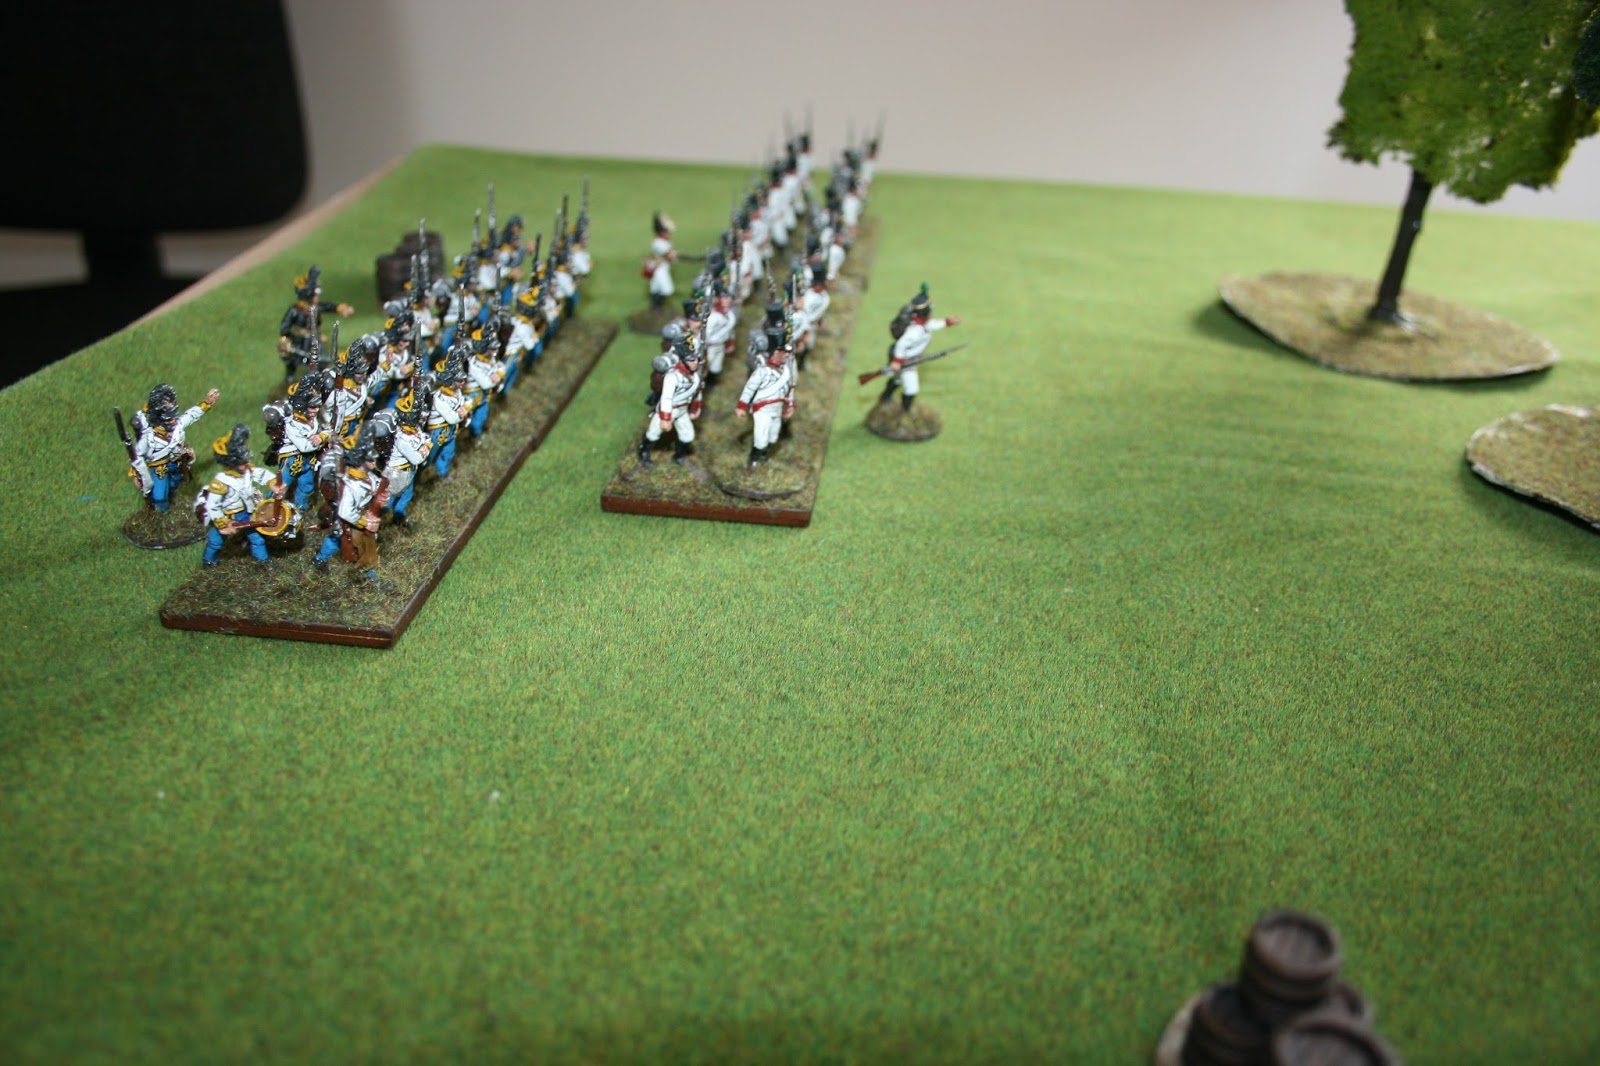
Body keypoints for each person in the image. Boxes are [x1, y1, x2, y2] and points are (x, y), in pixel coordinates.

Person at [200, 424, 286, 566]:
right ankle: (209, 561)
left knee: (257, 539)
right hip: (227, 516)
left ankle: (263, 561)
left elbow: (261, 474)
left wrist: (273, 483)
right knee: (216, 542)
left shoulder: (247, 471)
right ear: (232, 463)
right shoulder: (220, 483)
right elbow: (213, 506)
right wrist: (223, 524)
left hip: (246, 514)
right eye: (242, 462)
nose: (247, 464)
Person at [129, 383, 218, 511]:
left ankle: (170, 498)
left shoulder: (177, 425)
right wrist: (134, 473)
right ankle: (161, 514)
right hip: (159, 467)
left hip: (177, 463)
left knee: (174, 485)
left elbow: (191, 415)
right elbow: (136, 455)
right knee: (159, 497)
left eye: (173, 417)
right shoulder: (149, 438)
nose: (173, 421)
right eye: (168, 419)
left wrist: (207, 403)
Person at [312, 436, 387, 577]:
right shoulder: (350, 485)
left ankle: (367, 572)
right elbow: (345, 512)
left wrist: (382, 497)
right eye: (370, 460)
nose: (373, 462)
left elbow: (376, 486)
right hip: (349, 519)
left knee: (362, 543)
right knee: (341, 539)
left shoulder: (369, 477)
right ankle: (321, 558)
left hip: (362, 514)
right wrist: (364, 522)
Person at [883, 286, 960, 412]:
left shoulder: (922, 324)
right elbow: (901, 344)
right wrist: (897, 361)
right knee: (912, 389)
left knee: (897, 380)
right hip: (906, 361)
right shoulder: (914, 332)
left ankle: (885, 397)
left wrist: (947, 322)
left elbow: (933, 324)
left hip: (909, 359)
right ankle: (904, 411)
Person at [735, 328, 795, 468]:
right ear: (776, 353)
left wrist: (789, 405)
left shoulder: (786, 371)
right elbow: (749, 389)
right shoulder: (762, 371)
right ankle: (753, 461)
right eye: (784, 352)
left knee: (773, 436)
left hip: (777, 409)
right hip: (762, 409)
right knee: (761, 438)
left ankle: (765, 457)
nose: (787, 355)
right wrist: (741, 406)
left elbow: (788, 389)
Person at [638, 338, 703, 465]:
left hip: (683, 410)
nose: (696, 362)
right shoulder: (673, 377)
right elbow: (666, 398)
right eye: (691, 360)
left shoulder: (695, 376)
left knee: (688, 435)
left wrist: (695, 407)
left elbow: (696, 393)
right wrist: (665, 418)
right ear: (683, 360)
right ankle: (643, 450)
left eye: (696, 359)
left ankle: (679, 455)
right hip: (668, 409)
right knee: (653, 433)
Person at [646, 212, 677, 309]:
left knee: (657, 289)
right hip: (659, 268)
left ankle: (656, 308)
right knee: (666, 289)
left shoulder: (663, 242)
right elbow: (670, 255)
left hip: (661, 267)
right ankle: (656, 308)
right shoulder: (659, 243)